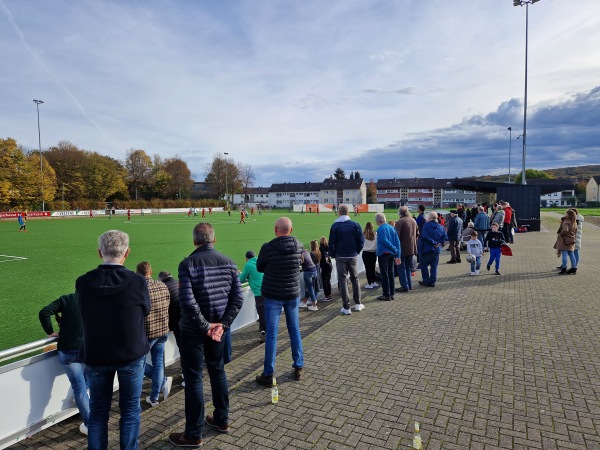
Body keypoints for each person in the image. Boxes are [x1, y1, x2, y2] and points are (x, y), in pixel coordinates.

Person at [169, 223, 243, 447]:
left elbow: (188, 303)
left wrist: (208, 326)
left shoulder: (187, 264)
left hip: (194, 331)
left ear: (195, 241)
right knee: (217, 370)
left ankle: (193, 434)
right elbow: (237, 300)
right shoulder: (229, 263)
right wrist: (220, 326)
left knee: (193, 378)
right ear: (214, 239)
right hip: (216, 331)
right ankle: (222, 420)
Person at [76, 230, 150, 450]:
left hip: (96, 354)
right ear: (127, 253)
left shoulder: (83, 282)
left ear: (100, 252)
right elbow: (145, 310)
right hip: (130, 353)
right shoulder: (138, 281)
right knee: (129, 410)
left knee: (98, 412)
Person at [255, 217, 305, 386]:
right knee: (294, 330)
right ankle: (298, 367)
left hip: (273, 295)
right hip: (292, 294)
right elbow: (300, 263)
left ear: (276, 229)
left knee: (272, 335)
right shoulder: (299, 245)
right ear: (291, 230)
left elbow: (259, 267)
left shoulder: (267, 248)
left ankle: (268, 374)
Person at [39, 293, 89, 436]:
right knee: (84, 386)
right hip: (88, 351)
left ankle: (90, 423)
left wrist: (50, 331)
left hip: (68, 351)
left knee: (80, 388)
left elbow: (44, 313)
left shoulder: (66, 299)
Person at [136, 261, 173, 408]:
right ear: (150, 272)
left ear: (137, 273)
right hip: (163, 330)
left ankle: (159, 388)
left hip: (147, 332)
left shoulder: (138, 288)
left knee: (137, 363)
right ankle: (154, 397)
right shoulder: (162, 285)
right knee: (158, 363)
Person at [328, 204, 365, 315]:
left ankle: (346, 306)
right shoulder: (355, 225)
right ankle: (358, 303)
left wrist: (333, 254)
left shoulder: (335, 226)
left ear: (339, 212)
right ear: (348, 212)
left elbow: (331, 243)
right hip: (352, 255)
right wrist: (356, 251)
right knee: (355, 278)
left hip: (341, 256)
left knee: (343, 281)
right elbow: (361, 241)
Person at [238, 250, 266, 343]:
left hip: (259, 292)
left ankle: (264, 334)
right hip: (267, 290)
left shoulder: (248, 265)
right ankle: (263, 329)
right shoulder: (260, 261)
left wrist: (238, 274)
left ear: (247, 258)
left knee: (262, 313)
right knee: (264, 312)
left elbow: (241, 279)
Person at [374, 212, 401, 301]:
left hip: (384, 253)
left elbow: (384, 240)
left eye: (376, 220)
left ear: (379, 220)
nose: (376, 222)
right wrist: (397, 252)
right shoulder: (391, 227)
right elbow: (397, 241)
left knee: (384, 274)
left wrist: (394, 249)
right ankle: (392, 292)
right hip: (391, 254)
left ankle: (386, 294)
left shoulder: (381, 229)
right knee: (391, 273)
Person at [418, 212, 448, 288]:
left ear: (429, 218)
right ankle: (432, 281)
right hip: (436, 249)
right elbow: (445, 237)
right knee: (434, 266)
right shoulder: (441, 227)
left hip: (427, 249)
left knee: (424, 265)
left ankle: (426, 281)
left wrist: (434, 242)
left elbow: (424, 235)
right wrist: (439, 243)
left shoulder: (426, 225)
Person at [395, 206, 418, 293]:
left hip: (402, 249)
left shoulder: (400, 222)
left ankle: (405, 286)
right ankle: (409, 285)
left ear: (400, 213)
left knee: (401, 268)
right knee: (408, 268)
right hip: (412, 248)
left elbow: (396, 237)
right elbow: (417, 233)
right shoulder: (413, 220)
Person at [553, 209, 578, 275]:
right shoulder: (574, 222)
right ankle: (574, 268)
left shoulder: (566, 221)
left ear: (568, 215)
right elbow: (575, 231)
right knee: (571, 254)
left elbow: (565, 230)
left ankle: (564, 269)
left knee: (564, 254)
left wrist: (560, 234)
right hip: (571, 240)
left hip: (565, 240)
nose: (565, 214)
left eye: (566, 213)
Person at [299, 245, 319, 311]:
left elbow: (300, 263)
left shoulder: (300, 254)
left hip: (308, 272)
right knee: (309, 288)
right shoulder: (307, 252)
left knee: (310, 289)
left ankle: (314, 305)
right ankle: (304, 302)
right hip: (314, 270)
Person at [361, 222, 378, 289]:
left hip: (366, 253)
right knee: (373, 267)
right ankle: (373, 282)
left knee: (367, 268)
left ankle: (369, 283)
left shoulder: (363, 234)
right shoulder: (375, 234)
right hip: (373, 252)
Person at [318, 236, 333, 302]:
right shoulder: (328, 247)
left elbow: (319, 257)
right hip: (329, 265)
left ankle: (327, 296)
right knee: (328, 281)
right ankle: (329, 295)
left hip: (325, 266)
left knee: (324, 281)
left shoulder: (320, 248)